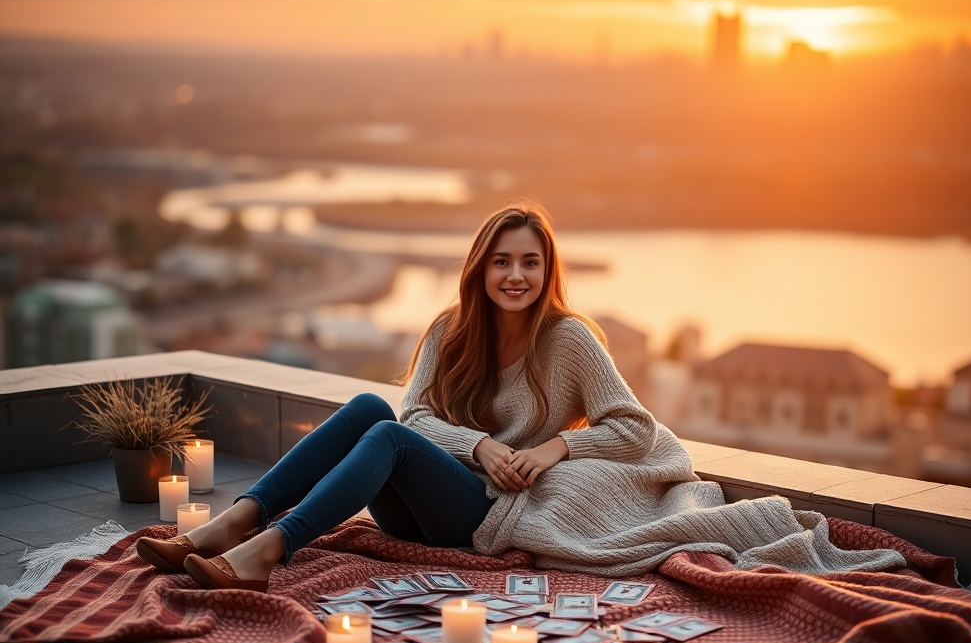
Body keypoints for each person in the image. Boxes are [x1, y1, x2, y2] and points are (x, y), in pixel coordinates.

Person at [136, 200, 695, 591]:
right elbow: (417, 414)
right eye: (502, 261)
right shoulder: (450, 329)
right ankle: (233, 523)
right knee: (370, 410)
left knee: (388, 435)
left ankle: (268, 549)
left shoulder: (568, 337)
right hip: (417, 506)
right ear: (480, 269)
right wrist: (479, 446)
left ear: (548, 271)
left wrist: (556, 449)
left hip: (486, 516)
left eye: (530, 262)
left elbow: (634, 427)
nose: (516, 275)